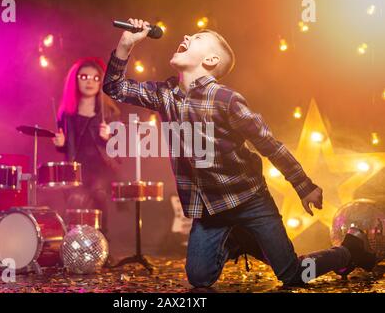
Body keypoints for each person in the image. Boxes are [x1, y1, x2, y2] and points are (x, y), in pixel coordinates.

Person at [102, 18, 377, 287]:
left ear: (209, 62)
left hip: (249, 201)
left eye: (196, 38)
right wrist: (126, 45)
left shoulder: (226, 100)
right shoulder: (164, 94)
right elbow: (114, 87)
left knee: (291, 273)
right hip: (210, 210)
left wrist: (303, 185)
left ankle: (349, 250)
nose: (185, 38)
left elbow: (269, 144)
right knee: (199, 278)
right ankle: (237, 239)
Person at [54, 57, 120, 236]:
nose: (90, 81)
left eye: (95, 78)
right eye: (84, 77)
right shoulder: (66, 115)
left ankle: (103, 244)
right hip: (75, 169)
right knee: (74, 199)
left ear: (101, 82)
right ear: (75, 81)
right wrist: (61, 145)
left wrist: (109, 138)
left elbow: (120, 149)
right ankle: (73, 245)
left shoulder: (110, 113)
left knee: (98, 192)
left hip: (102, 168)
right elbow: (67, 147)